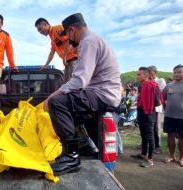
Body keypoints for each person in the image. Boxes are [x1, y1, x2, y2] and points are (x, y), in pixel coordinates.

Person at [43, 13, 121, 175]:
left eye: (68, 35)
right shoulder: (94, 40)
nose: (69, 40)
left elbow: (80, 80)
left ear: (72, 30)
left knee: (57, 104)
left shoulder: (88, 42)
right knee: (70, 113)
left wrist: (51, 97)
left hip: (102, 93)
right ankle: (85, 146)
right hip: (102, 92)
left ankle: (71, 156)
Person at [133, 67, 162, 168]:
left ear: (146, 75)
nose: (137, 76)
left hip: (149, 113)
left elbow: (158, 101)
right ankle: (143, 154)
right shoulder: (141, 85)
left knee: (150, 136)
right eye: (137, 74)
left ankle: (150, 159)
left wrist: (149, 107)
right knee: (143, 134)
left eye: (139, 74)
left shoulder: (153, 85)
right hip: (141, 112)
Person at [35, 18, 77, 83]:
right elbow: (52, 52)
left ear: (45, 24)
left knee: (72, 85)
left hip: (74, 59)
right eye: (39, 31)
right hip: (68, 62)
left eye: (40, 29)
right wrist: (46, 65)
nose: (40, 32)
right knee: (66, 85)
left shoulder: (57, 29)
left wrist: (64, 56)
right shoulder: (52, 38)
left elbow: (69, 39)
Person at [163, 64, 183, 167]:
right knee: (170, 136)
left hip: (182, 117)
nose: (176, 74)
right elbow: (163, 98)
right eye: (175, 72)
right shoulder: (168, 86)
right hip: (169, 116)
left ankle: (181, 158)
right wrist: (166, 109)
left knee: (182, 138)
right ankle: (171, 156)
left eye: (179, 72)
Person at [148, 65, 166, 154]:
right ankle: (150, 143)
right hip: (150, 107)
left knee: (157, 126)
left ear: (155, 72)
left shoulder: (160, 81)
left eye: (150, 72)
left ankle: (157, 146)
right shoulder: (147, 81)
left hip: (158, 106)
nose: (149, 74)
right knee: (150, 126)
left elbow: (161, 93)